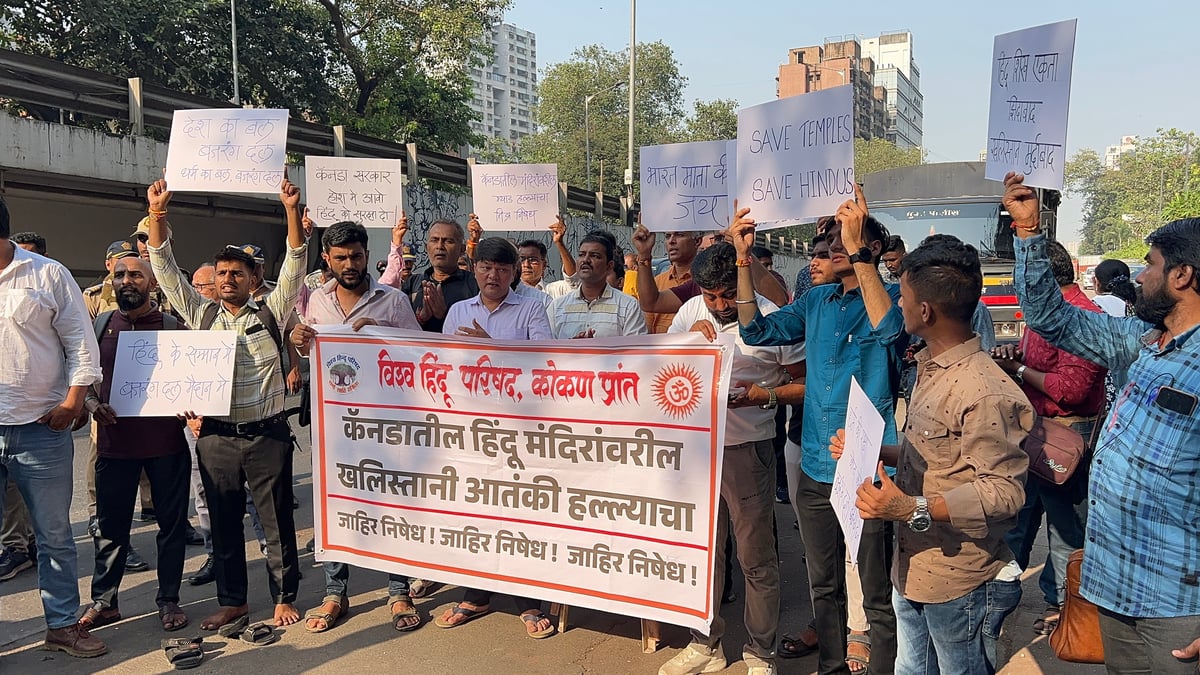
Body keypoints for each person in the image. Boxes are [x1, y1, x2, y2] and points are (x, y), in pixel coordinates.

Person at [1006, 171, 1200, 674]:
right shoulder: (1140, 339)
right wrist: (1028, 232)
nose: (1139, 277)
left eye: (1152, 266)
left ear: (1182, 277)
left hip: (1177, 606)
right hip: (1115, 583)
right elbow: (1054, 320)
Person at [835, 235, 1032, 674]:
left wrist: (910, 508)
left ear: (924, 311)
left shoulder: (985, 390)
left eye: (901, 297)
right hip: (914, 567)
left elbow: (1004, 494)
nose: (897, 306)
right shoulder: (931, 367)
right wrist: (870, 452)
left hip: (958, 579)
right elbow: (939, 452)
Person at [737, 185, 902, 675]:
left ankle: (881, 666)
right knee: (823, 583)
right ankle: (830, 666)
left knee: (873, 589)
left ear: (868, 248)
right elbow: (754, 331)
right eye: (829, 241)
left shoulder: (892, 296)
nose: (834, 247)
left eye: (844, 240)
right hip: (814, 464)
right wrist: (743, 261)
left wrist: (859, 248)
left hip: (867, 465)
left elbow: (890, 330)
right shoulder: (816, 302)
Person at [146, 177, 308, 631]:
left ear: (254, 279)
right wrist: (158, 214)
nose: (228, 279)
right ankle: (234, 601)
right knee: (223, 526)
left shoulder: (272, 310)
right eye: (222, 274)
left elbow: (296, 262)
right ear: (213, 282)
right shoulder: (201, 314)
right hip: (215, 436)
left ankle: (282, 598)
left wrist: (290, 210)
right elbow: (164, 267)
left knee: (276, 525)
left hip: (267, 434)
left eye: (238, 273)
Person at [657, 242, 805, 675]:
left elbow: (805, 382)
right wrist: (686, 344)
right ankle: (705, 644)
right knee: (703, 552)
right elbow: (664, 372)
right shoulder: (690, 314)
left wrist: (765, 396)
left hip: (749, 452)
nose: (720, 306)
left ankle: (762, 652)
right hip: (698, 453)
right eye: (710, 296)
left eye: (727, 295)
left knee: (755, 558)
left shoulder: (774, 319)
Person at [290, 220, 423, 634]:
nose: (350, 263)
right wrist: (298, 342)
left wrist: (382, 337)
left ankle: (398, 589)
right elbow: (311, 351)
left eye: (357, 255)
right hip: (335, 422)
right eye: (341, 257)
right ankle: (335, 592)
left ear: (368, 254)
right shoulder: (315, 302)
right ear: (327, 260)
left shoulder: (394, 301)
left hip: (386, 421)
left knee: (391, 500)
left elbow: (420, 355)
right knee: (335, 501)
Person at [0, 194, 107, 657]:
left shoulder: (47, 274)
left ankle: (62, 625)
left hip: (40, 427)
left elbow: (81, 344)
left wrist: (72, 401)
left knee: (54, 535)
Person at [436, 237, 556, 639]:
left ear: (513, 274)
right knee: (475, 515)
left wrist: (491, 349)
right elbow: (445, 367)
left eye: (503, 270)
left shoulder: (531, 307)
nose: (494, 276)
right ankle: (476, 595)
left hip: (518, 429)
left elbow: (542, 362)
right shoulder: (457, 311)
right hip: (469, 431)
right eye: (487, 267)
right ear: (474, 267)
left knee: (518, 513)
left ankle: (528, 601)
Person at [994, 239, 1106, 637]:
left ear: (1043, 276)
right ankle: (1002, 593)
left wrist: (1020, 372)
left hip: (1065, 433)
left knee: (1064, 530)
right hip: (1034, 428)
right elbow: (1038, 364)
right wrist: (1017, 358)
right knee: (1018, 517)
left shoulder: (1083, 317)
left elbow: (1071, 389)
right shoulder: (1045, 314)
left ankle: (1063, 607)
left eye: (1025, 277)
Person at [78, 255, 193, 633]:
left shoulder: (174, 327)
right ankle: (105, 601)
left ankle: (169, 599)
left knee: (171, 527)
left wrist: (189, 407)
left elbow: (193, 382)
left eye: (135, 275)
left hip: (165, 446)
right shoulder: (99, 325)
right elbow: (82, 376)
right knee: (110, 529)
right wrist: (93, 404)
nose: (126, 281)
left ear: (153, 283)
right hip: (114, 445)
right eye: (119, 275)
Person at [548, 231, 647, 339]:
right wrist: (572, 347)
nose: (585, 260)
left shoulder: (628, 306)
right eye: (581, 255)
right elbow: (543, 349)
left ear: (609, 266)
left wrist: (597, 350)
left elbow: (634, 351)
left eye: (595, 256)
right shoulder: (557, 306)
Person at [407, 218, 479, 333]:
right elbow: (400, 328)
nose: (439, 246)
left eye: (448, 241)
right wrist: (421, 319)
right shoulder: (412, 284)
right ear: (426, 247)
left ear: (462, 249)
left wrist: (446, 315)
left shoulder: (475, 284)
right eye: (434, 240)